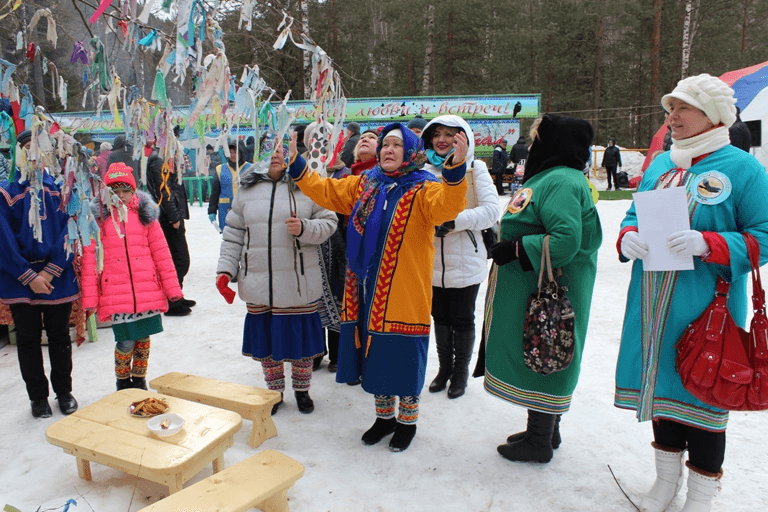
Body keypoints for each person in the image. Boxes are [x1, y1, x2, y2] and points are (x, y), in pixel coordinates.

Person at [615, 73, 768, 512]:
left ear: (713, 116)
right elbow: (632, 211)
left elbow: (766, 233)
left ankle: (701, 496)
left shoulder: (743, 168)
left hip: (705, 307)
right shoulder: (662, 163)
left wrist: (712, 244)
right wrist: (628, 236)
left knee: (703, 392)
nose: (673, 117)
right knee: (664, 387)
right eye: (671, 108)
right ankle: (665, 484)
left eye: (684, 108)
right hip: (651, 301)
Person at [286, 122, 468, 452]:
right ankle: (384, 418)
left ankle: (407, 422)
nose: (388, 150)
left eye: (397, 145)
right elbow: (326, 190)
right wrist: (297, 163)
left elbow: (449, 206)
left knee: (403, 355)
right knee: (376, 354)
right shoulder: (367, 185)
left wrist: (454, 170)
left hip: (405, 293)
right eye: (385, 144)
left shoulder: (424, 189)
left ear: (411, 151)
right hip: (367, 290)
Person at [482, 114, 602, 464]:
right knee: (542, 348)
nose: (533, 147)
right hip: (534, 286)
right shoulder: (554, 177)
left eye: (538, 140)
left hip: (548, 290)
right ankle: (547, 427)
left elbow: (566, 240)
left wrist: (516, 249)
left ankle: (539, 440)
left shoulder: (562, 181)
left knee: (545, 348)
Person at [216, 138, 337, 415]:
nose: (277, 155)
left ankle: (302, 390)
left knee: (301, 343)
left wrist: (305, 227)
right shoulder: (247, 187)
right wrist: (226, 269)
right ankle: (274, 392)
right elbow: (233, 233)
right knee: (267, 342)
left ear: (293, 154)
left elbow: (330, 222)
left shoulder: (308, 184)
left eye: (284, 150)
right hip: (258, 280)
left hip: (298, 282)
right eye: (272, 149)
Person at [0, 130, 80, 418]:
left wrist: (50, 270)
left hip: (56, 274)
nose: (35, 155)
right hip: (19, 277)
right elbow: (3, 240)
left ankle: (64, 391)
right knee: (28, 339)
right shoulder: (7, 192)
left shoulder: (62, 190)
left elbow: (69, 232)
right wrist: (28, 275)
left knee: (59, 337)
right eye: (27, 150)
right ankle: (37, 397)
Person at [82, 163, 183, 390]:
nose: (121, 196)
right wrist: (90, 299)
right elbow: (90, 258)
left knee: (144, 339)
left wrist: (172, 288)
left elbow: (162, 254)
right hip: (117, 294)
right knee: (125, 341)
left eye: (125, 190)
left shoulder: (146, 217)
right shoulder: (99, 221)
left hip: (146, 290)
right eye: (114, 191)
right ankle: (122, 381)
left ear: (133, 190)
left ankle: (139, 379)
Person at [421, 115, 499, 399]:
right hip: (431, 261)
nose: (443, 140)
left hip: (466, 259)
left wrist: (454, 221)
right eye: (437, 134)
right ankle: (444, 369)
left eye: (451, 135)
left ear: (464, 138)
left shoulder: (475, 168)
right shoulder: (424, 171)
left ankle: (460, 373)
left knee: (462, 318)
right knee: (439, 317)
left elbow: (492, 211)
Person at [323, 128, 380, 375]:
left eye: (373, 138)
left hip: (375, 256)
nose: (366, 139)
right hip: (347, 253)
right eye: (363, 138)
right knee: (350, 309)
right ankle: (352, 361)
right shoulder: (351, 176)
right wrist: (344, 250)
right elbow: (334, 216)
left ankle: (372, 362)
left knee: (372, 310)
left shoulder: (382, 175)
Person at [146, 145, 194, 316]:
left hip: (169, 215)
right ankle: (172, 300)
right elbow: (163, 190)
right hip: (167, 218)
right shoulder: (159, 160)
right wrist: (174, 216)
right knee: (179, 260)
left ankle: (176, 295)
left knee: (177, 259)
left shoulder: (164, 158)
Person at [208, 138, 247, 232]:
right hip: (225, 211)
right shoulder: (220, 169)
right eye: (230, 152)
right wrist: (212, 211)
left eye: (235, 152)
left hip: (245, 212)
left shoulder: (250, 169)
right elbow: (215, 192)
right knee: (229, 240)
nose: (232, 155)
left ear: (241, 152)